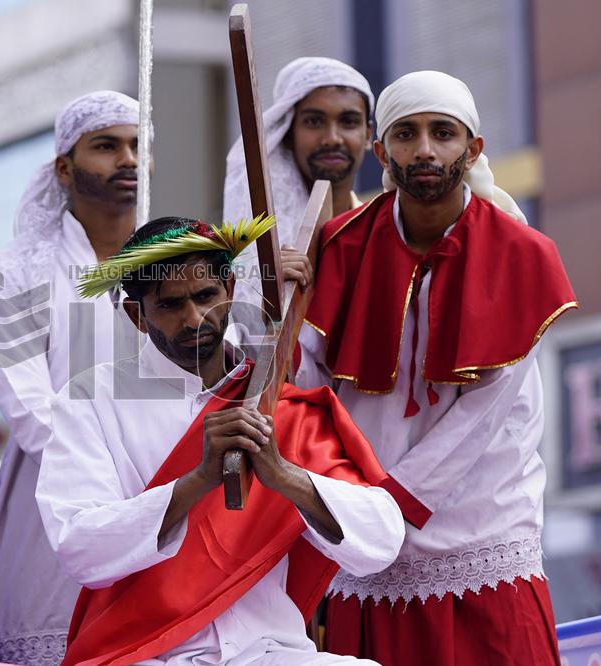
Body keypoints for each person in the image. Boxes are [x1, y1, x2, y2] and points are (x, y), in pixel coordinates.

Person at [298, 71, 578, 665]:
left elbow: (483, 413)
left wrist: (385, 505)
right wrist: (341, 501)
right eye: (406, 133)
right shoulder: (338, 247)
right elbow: (308, 388)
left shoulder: (522, 254)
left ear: (472, 148)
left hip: (482, 532)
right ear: (382, 152)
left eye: (442, 133)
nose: (424, 149)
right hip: (365, 546)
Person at [35, 216, 405, 665]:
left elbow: (382, 542)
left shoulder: (276, 405)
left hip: (268, 650)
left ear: (228, 289)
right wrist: (199, 480)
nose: (194, 319)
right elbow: (80, 547)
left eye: (205, 296)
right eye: (170, 305)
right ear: (136, 315)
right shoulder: (89, 400)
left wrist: (283, 475)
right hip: (145, 652)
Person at [0, 90, 146, 664]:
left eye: (137, 145)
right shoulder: (12, 272)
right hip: (57, 512)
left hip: (167, 509)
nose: (127, 159)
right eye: (107, 146)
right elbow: (30, 413)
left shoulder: (178, 263)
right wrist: (128, 484)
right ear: (65, 168)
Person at [223, 58, 373, 325]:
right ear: (289, 133)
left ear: (368, 135)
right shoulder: (263, 246)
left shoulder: (382, 229)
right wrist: (266, 290)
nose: (332, 138)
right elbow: (235, 344)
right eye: (315, 121)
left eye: (348, 122)